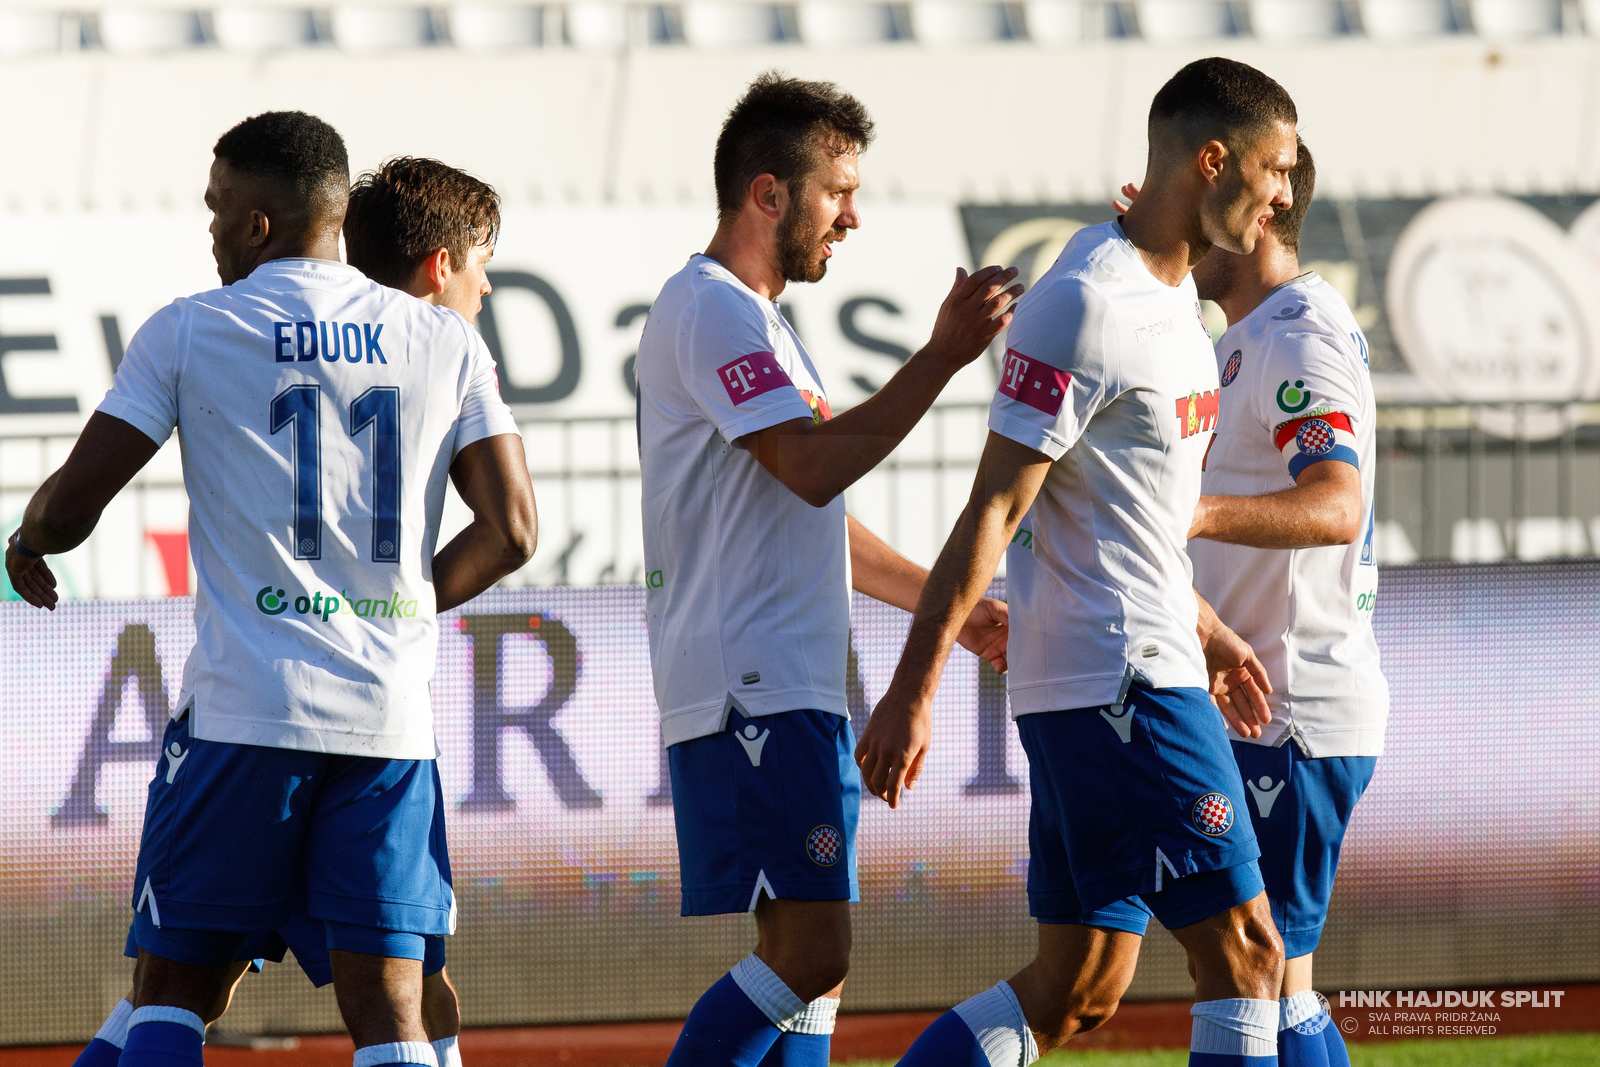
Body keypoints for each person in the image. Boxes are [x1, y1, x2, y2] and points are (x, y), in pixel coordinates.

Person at [5, 111, 536, 1067]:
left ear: (258, 224)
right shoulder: (443, 341)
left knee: (172, 988)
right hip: (385, 723)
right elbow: (513, 530)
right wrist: (399, 604)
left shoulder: (191, 329)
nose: (208, 229)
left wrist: (29, 538)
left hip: (247, 713)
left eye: (218, 210)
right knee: (392, 1002)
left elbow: (75, 503)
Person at [856, 57, 1300, 1067]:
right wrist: (913, 688)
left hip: (1119, 671)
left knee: (1077, 988)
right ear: (1213, 157)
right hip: (1122, 684)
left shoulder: (1171, 298)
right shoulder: (1087, 301)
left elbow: (1127, 517)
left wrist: (1214, 629)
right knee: (1248, 953)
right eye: (1274, 169)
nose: (1282, 195)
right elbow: (994, 506)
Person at [636, 72, 1021, 1067]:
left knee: (813, 961)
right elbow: (811, 468)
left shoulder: (757, 321)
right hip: (750, 682)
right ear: (769, 193)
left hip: (783, 680)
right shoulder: (710, 307)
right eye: (836, 190)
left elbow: (816, 517)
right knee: (813, 950)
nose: (852, 216)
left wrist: (959, 609)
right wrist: (940, 357)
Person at [1184, 138, 1386, 1067]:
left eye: (1207, 199)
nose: (1193, 223)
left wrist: (1191, 512)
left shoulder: (1295, 331)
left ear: (1259, 212)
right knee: (1272, 979)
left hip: (1290, 712)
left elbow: (1337, 502)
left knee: (1253, 976)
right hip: (1268, 706)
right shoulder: (1256, 331)